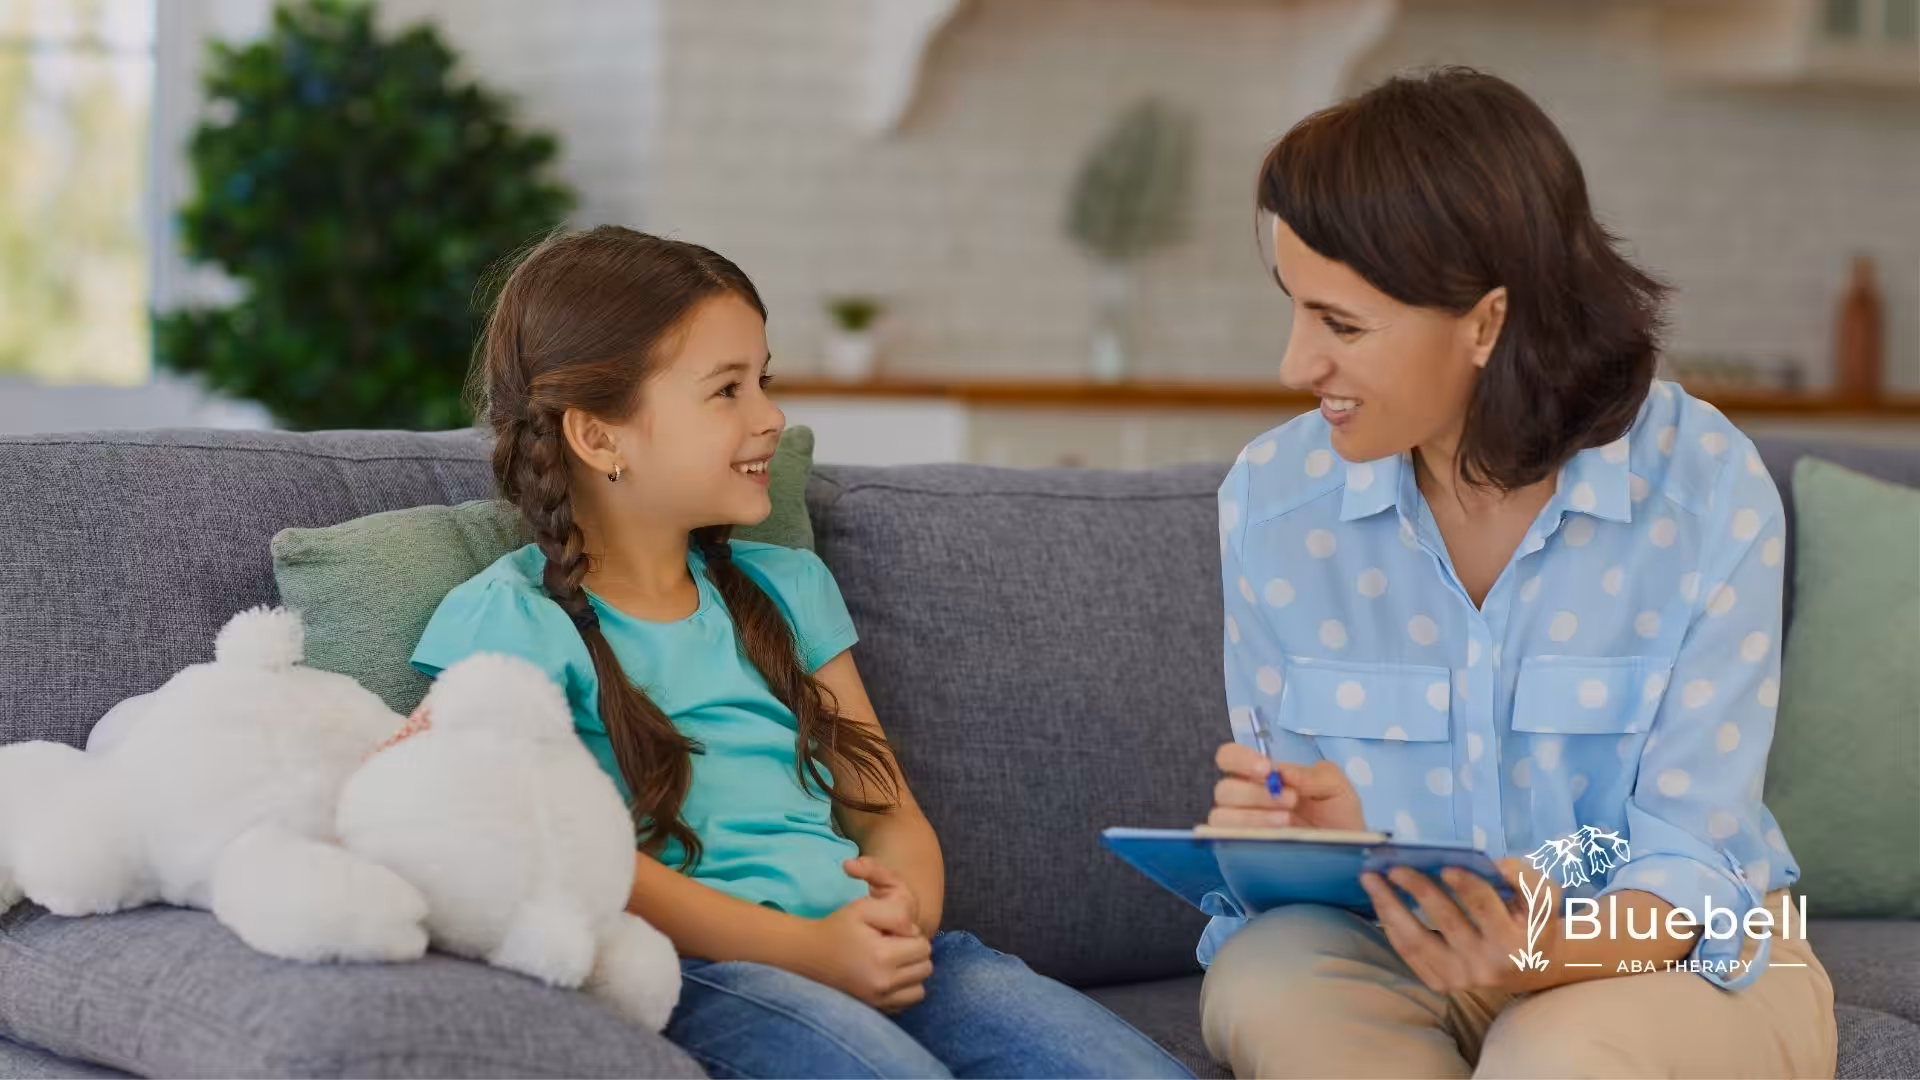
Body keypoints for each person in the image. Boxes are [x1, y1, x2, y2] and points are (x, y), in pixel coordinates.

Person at [410, 226, 1192, 1080]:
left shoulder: (787, 588)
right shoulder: (508, 623)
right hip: (710, 975)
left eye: (765, 380)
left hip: (879, 950)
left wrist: (907, 916)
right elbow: (575, 857)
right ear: (600, 439)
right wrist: (810, 950)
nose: (771, 416)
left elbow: (885, 810)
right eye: (727, 390)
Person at [1202, 68, 1835, 1078]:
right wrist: (1314, 847)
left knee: (1556, 1051)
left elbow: (1693, 868)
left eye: (1342, 325)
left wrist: (1534, 952)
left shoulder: (1706, 491)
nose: (1294, 366)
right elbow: (1296, 867)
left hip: (1668, 964)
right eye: (1296, 310)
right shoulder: (1273, 505)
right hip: (1399, 953)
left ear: (1487, 322)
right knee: (1266, 979)